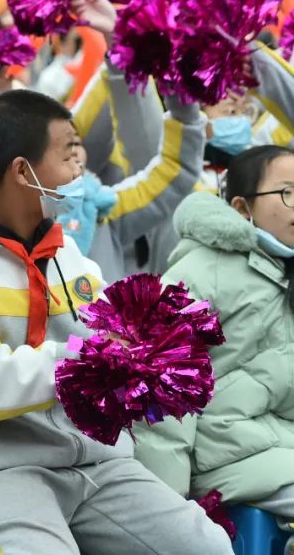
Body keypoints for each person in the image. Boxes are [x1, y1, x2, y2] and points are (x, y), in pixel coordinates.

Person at [0, 89, 233, 555]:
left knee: (206, 547)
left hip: (95, 463)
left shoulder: (68, 255)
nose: (81, 171)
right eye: (68, 155)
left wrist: (153, 349)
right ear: (23, 171)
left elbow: (109, 337)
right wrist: (87, 358)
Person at [134, 145, 294, 552]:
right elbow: (162, 397)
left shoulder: (284, 268)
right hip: (230, 456)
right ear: (242, 207)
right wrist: (168, 509)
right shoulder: (201, 272)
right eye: (288, 193)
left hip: (278, 446)